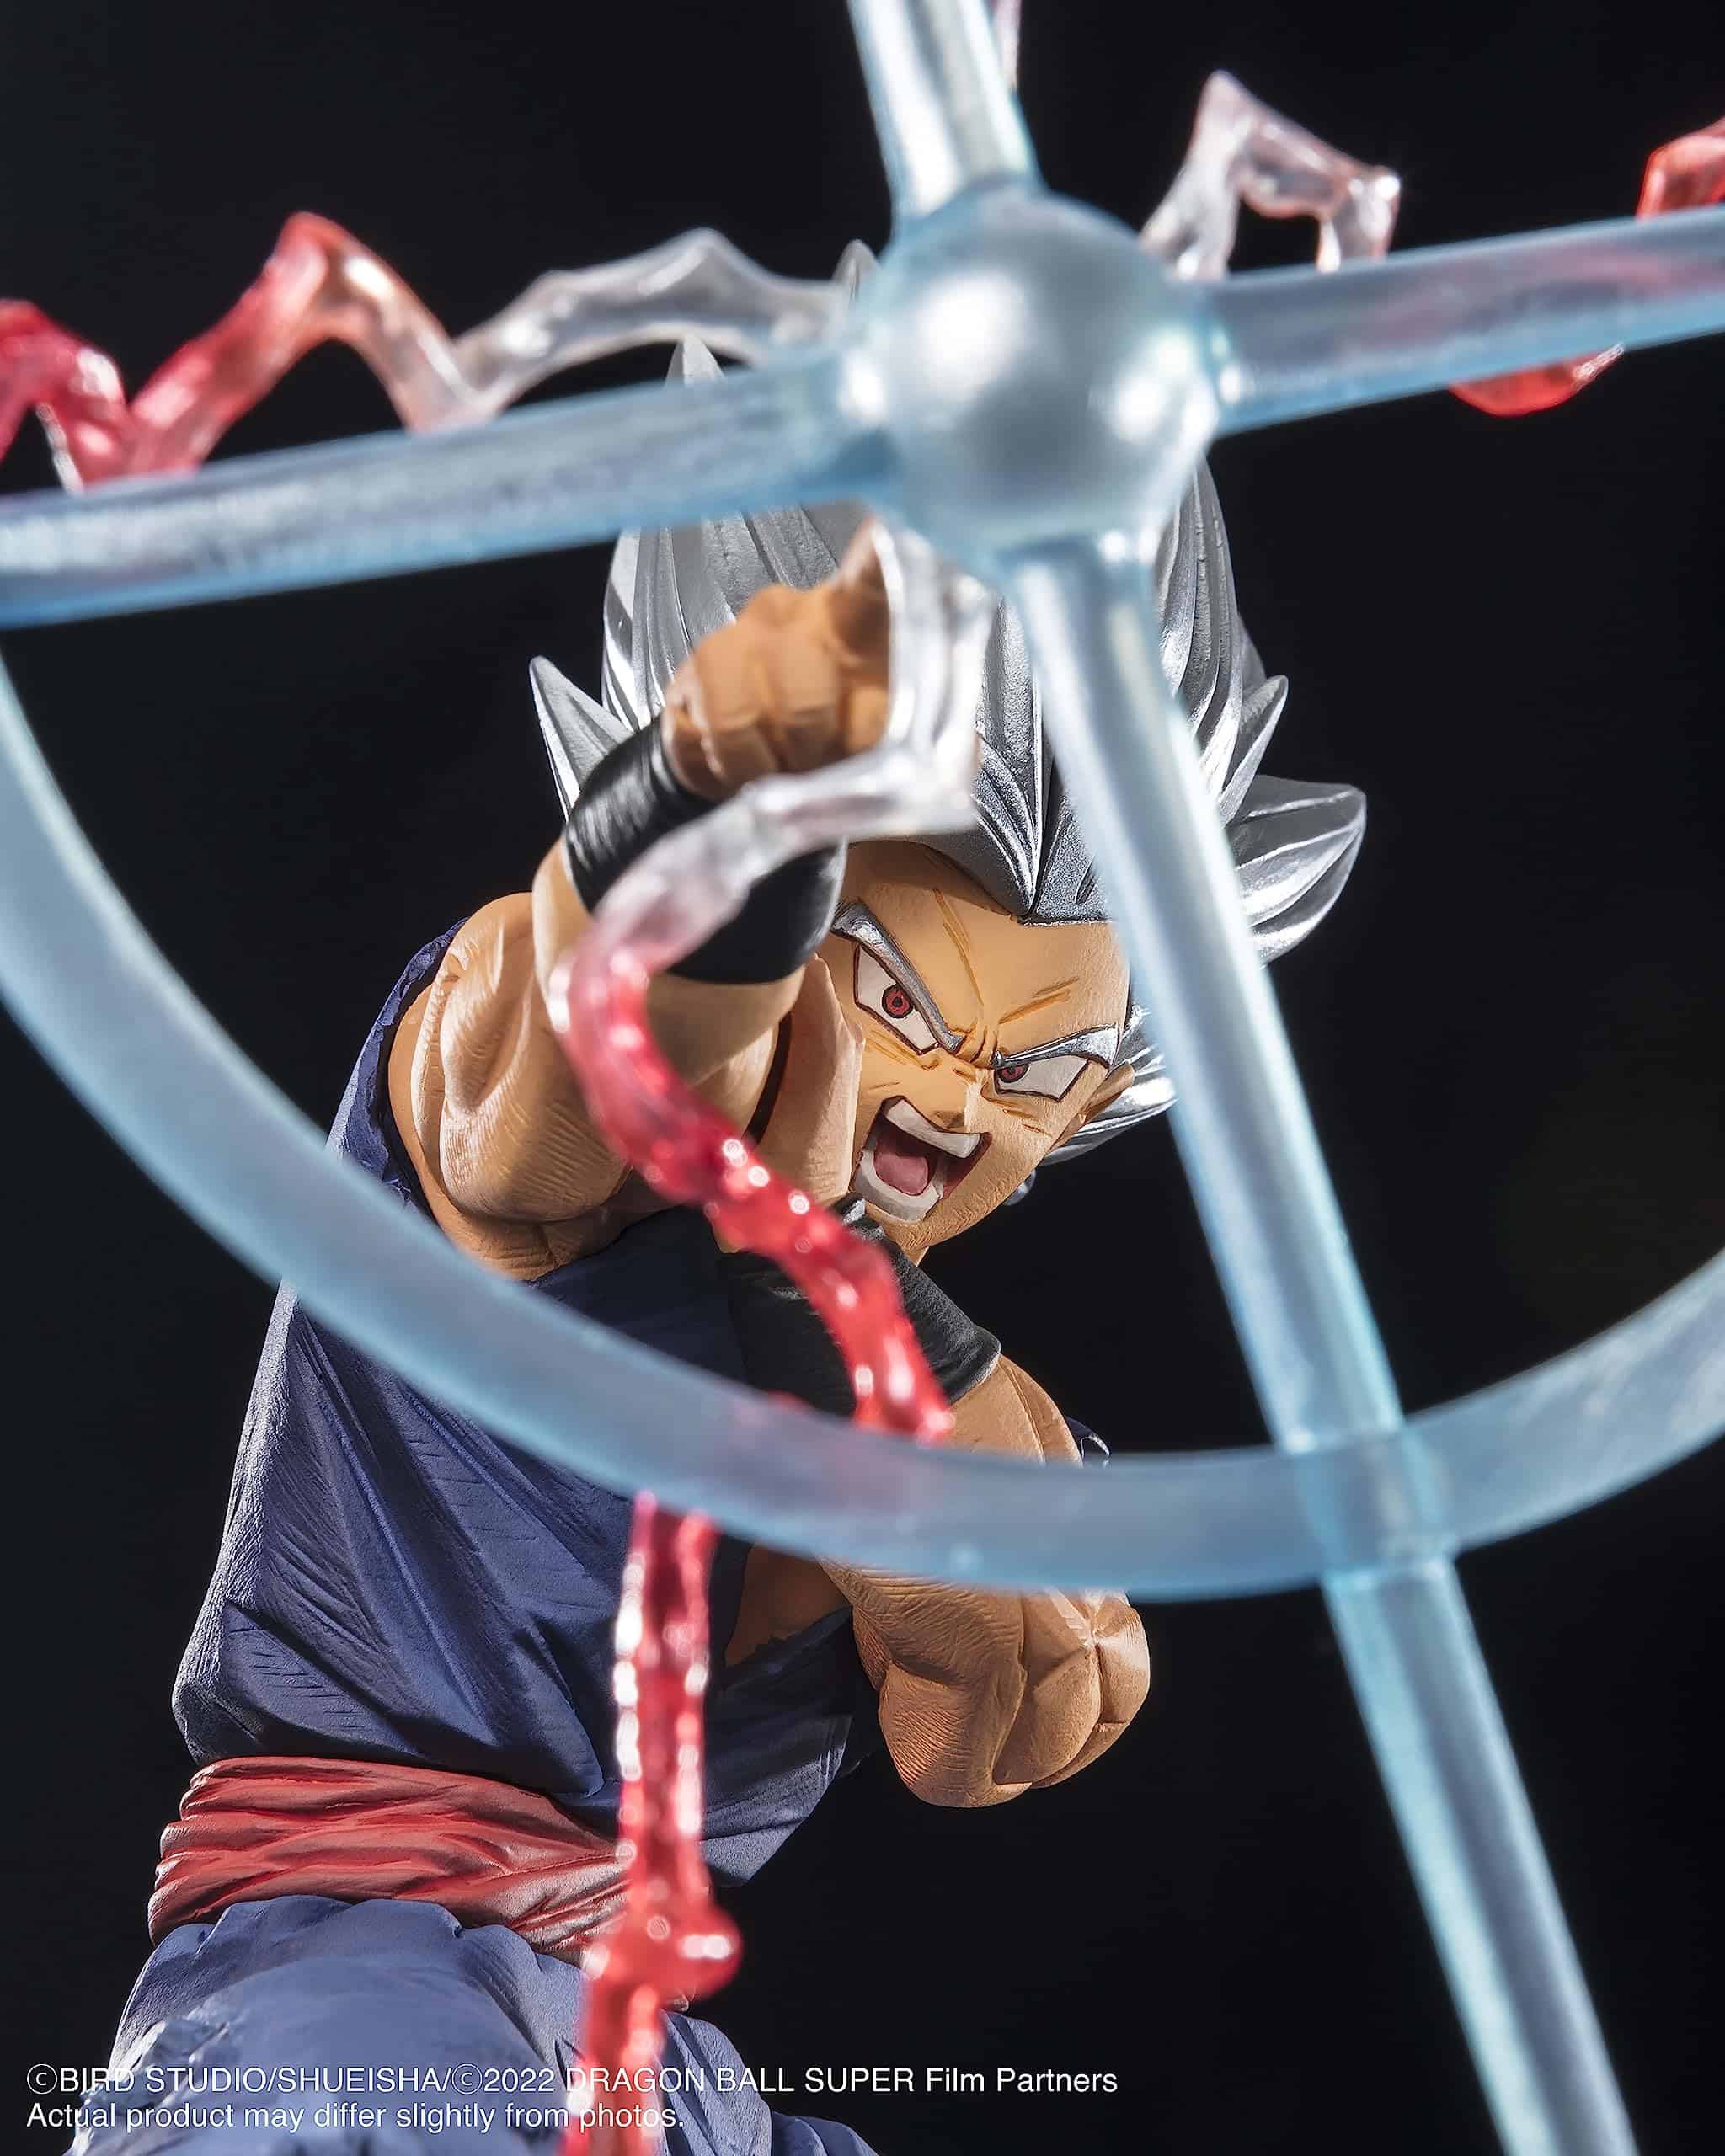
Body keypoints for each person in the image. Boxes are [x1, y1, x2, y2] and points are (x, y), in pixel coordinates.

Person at [74, 407, 1362, 2154]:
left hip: (642, 2039)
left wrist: (866, 1342)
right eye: (902, 1004)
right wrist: (724, 797)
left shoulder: (956, 1385)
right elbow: (601, 1020)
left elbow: (1013, 1714)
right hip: (348, 1985)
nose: (954, 1105)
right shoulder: (537, 1135)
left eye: (1038, 1070)